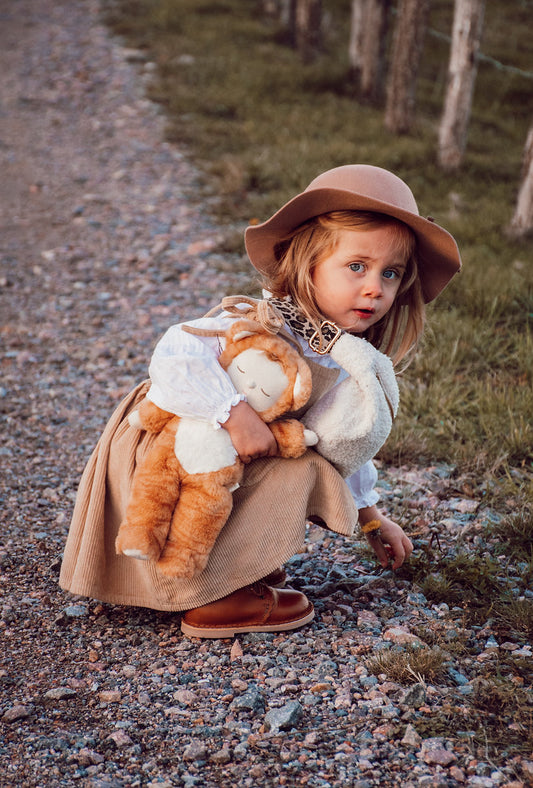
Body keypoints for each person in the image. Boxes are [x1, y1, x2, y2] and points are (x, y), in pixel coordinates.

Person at [59, 164, 461, 638]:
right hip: (166, 452)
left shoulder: (334, 354)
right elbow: (174, 352)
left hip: (216, 461)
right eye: (356, 266)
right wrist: (233, 412)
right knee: (303, 468)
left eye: (390, 274)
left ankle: (229, 566)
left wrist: (371, 518)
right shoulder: (266, 323)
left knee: (315, 456)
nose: (375, 288)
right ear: (307, 265)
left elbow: (341, 446)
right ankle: (212, 595)